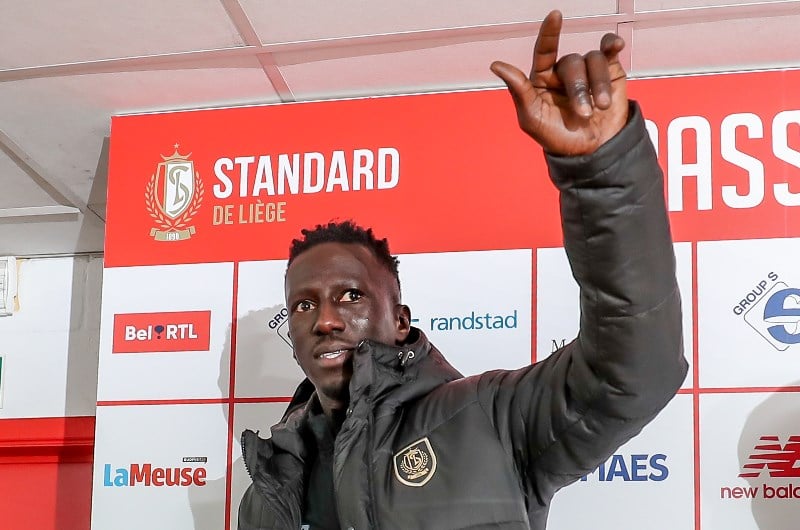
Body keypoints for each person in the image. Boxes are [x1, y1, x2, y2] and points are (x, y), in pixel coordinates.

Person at [238, 10, 688, 530]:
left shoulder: (491, 417)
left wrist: (602, 175)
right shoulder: (273, 482)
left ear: (400, 320)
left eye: (352, 297)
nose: (327, 320)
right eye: (305, 304)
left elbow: (633, 371)